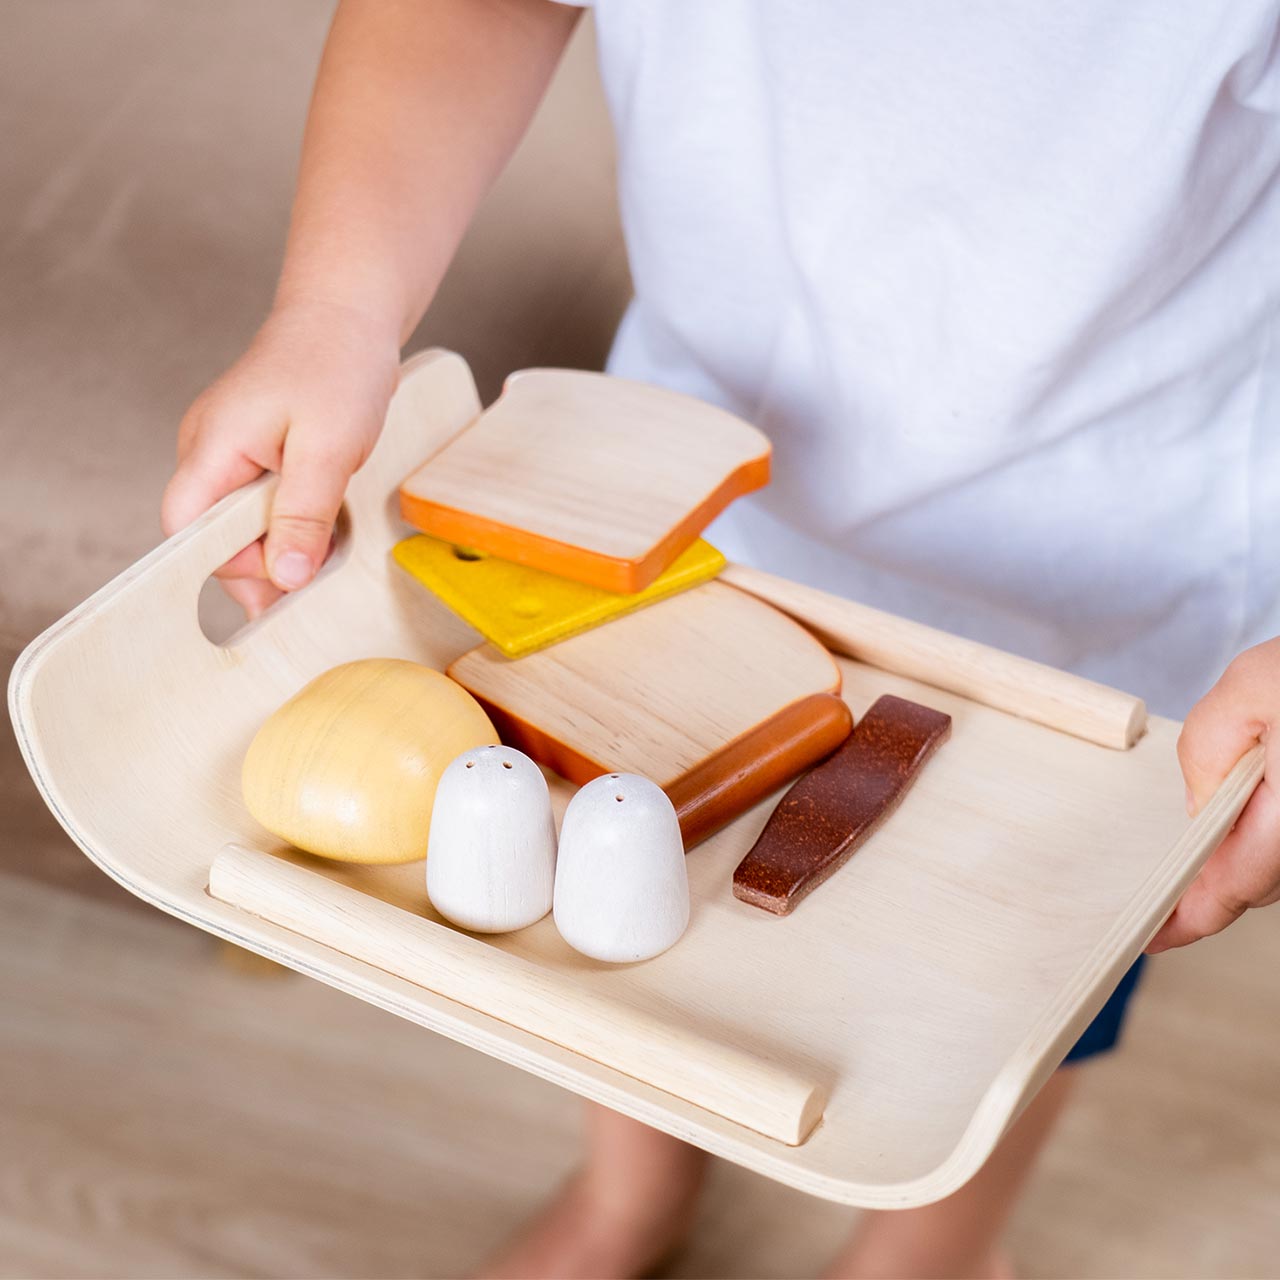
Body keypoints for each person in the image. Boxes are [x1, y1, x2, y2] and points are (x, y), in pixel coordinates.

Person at [162, 3, 1280, 1276]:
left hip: (1116, 590)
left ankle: (931, 1250)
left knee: (1018, 993)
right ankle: (630, 1194)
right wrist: (337, 305)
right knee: (626, 874)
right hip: (677, 499)